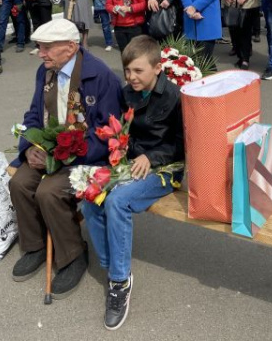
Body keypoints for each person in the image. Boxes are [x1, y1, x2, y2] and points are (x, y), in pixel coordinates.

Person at [8, 19, 122, 299]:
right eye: (39, 47)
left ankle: (73, 255)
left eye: (47, 47)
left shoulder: (100, 76)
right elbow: (33, 115)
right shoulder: (44, 72)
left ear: (71, 47)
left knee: (48, 192)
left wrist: (68, 155)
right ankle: (34, 246)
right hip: (51, 150)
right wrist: (30, 147)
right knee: (20, 183)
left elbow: (109, 131)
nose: (41, 53)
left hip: (86, 156)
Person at [82, 35, 184, 330]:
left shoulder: (174, 97)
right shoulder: (127, 93)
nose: (131, 77)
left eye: (138, 71)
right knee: (92, 196)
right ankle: (112, 265)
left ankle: (119, 281)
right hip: (131, 165)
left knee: (117, 201)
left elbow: (183, 147)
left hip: (165, 169)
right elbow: (122, 131)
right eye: (127, 70)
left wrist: (151, 158)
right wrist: (118, 146)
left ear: (157, 68)